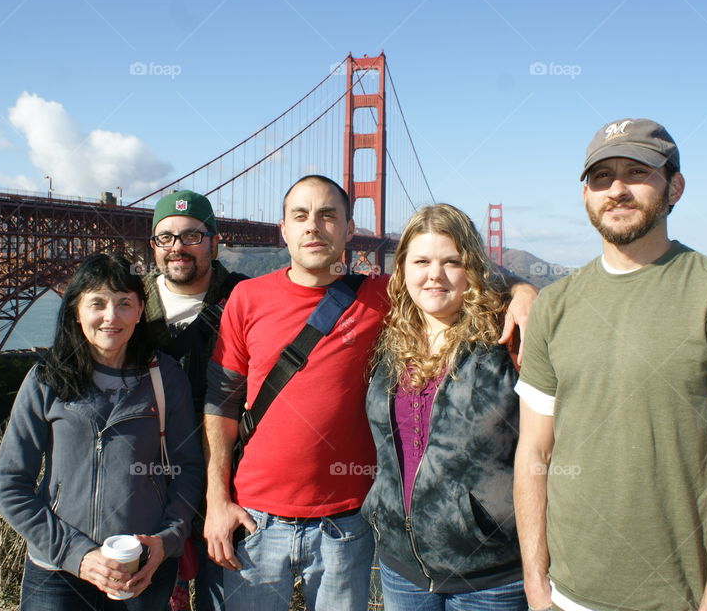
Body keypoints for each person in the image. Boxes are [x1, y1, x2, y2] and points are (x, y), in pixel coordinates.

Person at [203, 175, 537, 611]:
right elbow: (221, 404)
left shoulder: (383, 296)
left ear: (349, 228)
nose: (313, 226)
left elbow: (451, 275)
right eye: (299, 216)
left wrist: (524, 291)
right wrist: (215, 501)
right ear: (282, 229)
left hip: (347, 524)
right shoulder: (245, 297)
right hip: (257, 521)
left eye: (328, 215)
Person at [513, 118, 707, 611]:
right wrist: (537, 589)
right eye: (600, 177)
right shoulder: (554, 305)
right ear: (585, 195)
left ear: (675, 187)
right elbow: (534, 453)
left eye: (636, 171)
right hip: (562, 597)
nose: (616, 189)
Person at [0, 253, 204, 610]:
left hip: (140, 567)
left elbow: (188, 470)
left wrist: (166, 541)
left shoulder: (165, 378)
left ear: (140, 312)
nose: (111, 316)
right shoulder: (46, 380)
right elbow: (9, 487)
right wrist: (77, 554)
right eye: (98, 303)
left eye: (124, 303)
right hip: (56, 571)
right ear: (76, 310)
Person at [363, 203, 526, 610]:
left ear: (471, 269)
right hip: (403, 568)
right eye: (421, 261)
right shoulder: (389, 343)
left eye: (451, 261)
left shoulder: (506, 340)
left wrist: (525, 289)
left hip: (492, 573)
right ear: (402, 271)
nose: (434, 274)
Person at [143, 190, 246, 610]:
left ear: (215, 241)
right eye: (165, 237)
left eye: (192, 236)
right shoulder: (128, 304)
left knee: (220, 597)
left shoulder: (246, 299)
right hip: (144, 482)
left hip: (227, 480)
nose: (177, 248)